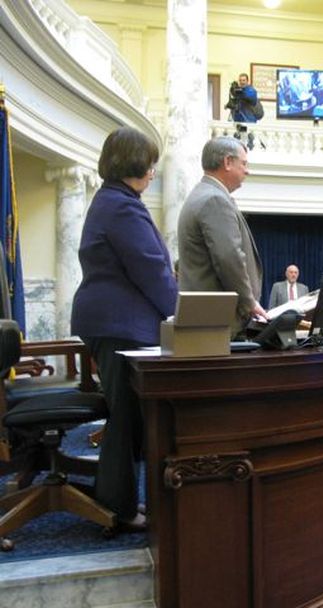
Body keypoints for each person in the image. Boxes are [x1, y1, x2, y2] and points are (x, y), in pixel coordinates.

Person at [71, 127, 178, 531]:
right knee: (128, 419)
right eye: (150, 163)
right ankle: (118, 508)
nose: (153, 171)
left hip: (114, 322)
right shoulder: (123, 207)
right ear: (135, 163)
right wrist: (181, 316)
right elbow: (151, 269)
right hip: (122, 325)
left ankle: (119, 502)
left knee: (127, 417)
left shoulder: (113, 201)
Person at [177, 136, 266, 336]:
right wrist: (249, 303)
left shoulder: (204, 194)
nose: (247, 170)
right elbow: (229, 258)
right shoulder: (214, 200)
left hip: (208, 320)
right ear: (227, 162)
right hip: (217, 323)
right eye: (243, 163)